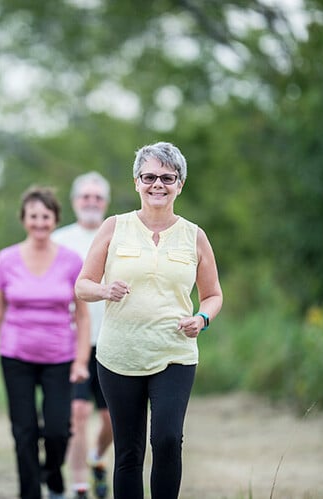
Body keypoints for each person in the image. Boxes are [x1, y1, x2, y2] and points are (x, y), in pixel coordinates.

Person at [75, 142, 223, 499]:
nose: (158, 184)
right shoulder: (114, 227)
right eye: (150, 177)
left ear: (180, 184)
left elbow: (213, 294)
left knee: (168, 440)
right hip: (119, 355)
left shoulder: (194, 236)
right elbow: (82, 285)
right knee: (129, 450)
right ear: (137, 182)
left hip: (174, 353)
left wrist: (202, 318)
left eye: (168, 177)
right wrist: (105, 290)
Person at [0, 186, 91, 499]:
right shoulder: (6, 260)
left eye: (46, 216)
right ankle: (30, 492)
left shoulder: (72, 261)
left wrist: (81, 361)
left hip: (60, 356)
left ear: (56, 219)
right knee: (25, 431)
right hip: (16, 355)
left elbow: (83, 317)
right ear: (24, 219)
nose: (39, 222)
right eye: (33, 216)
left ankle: (52, 471)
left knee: (59, 429)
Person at [52, 172, 113, 499]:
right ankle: (78, 486)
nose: (91, 202)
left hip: (113, 342)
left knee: (113, 420)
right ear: (75, 201)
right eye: (85, 196)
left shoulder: (118, 237)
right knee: (76, 413)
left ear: (105, 202)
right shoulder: (60, 240)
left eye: (97, 197)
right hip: (73, 344)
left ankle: (96, 459)